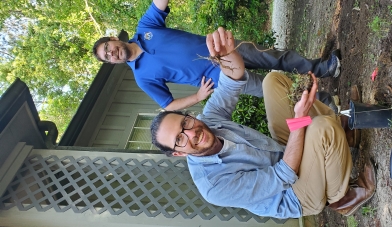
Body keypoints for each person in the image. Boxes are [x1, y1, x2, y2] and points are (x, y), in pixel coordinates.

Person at [150, 27, 376, 218]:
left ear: (189, 116)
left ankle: (345, 134)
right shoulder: (213, 186)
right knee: (321, 128)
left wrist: (228, 55)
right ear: (178, 153)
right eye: (180, 139)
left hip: (282, 153)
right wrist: (299, 122)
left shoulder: (208, 120)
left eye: (185, 123)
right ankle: (340, 197)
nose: (191, 133)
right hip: (295, 194)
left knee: (273, 82)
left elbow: (232, 79)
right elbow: (283, 176)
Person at [92, 0, 341, 111]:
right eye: (107, 57)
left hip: (224, 49)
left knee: (277, 57)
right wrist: (198, 96)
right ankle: (325, 101)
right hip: (223, 79)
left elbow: (159, 3)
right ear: (112, 62)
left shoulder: (146, 28)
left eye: (107, 48)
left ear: (113, 39)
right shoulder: (142, 78)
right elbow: (168, 105)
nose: (111, 53)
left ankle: (323, 68)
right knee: (272, 90)